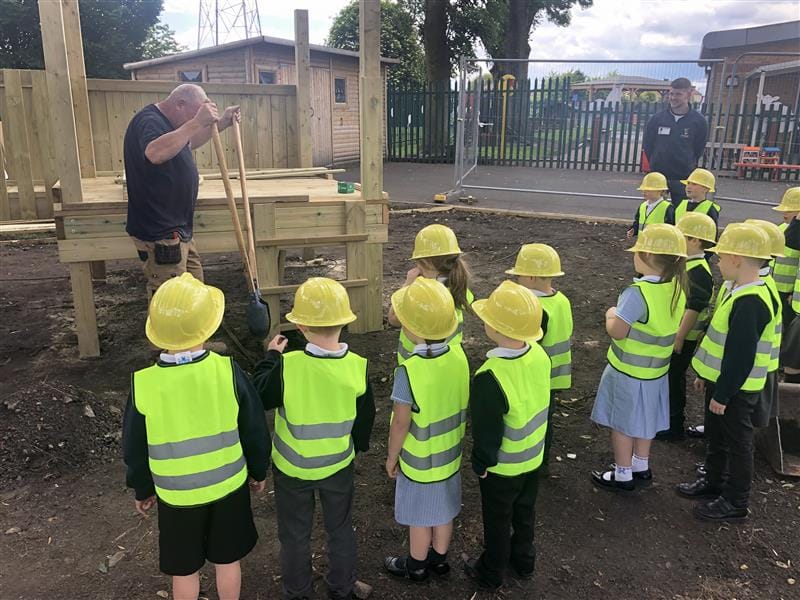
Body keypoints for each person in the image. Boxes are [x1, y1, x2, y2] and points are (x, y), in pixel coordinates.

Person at [122, 273, 270, 600]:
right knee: (228, 561)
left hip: (176, 496)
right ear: (208, 327)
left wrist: (143, 487)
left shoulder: (144, 384)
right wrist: (259, 471)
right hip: (228, 487)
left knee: (184, 569)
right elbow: (254, 427)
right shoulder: (227, 371)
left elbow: (134, 446)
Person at [251, 277, 375, 600]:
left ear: (301, 326)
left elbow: (260, 394)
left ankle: (298, 592)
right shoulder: (357, 368)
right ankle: (342, 588)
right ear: (344, 322)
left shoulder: (288, 368)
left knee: (294, 536)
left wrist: (271, 357)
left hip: (292, 470)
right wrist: (357, 447)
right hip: (337, 466)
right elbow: (365, 420)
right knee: (340, 530)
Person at [677, 224, 778, 522]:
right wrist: (707, 376)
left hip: (735, 389)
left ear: (736, 258)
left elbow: (740, 355)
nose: (717, 262)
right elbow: (721, 343)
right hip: (724, 384)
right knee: (717, 435)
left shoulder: (750, 302)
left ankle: (735, 501)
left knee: (737, 442)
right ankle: (714, 481)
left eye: (720, 257)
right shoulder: (739, 290)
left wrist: (723, 393)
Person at [463, 281, 551, 591]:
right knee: (525, 512)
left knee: (498, 520)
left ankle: (491, 570)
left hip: (502, 468)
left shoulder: (490, 376)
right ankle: (524, 560)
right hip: (533, 457)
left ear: (496, 328)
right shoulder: (540, 355)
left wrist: (481, 462)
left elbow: (488, 431)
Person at [383, 278, 470, 583]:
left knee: (420, 518)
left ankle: (416, 566)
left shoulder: (408, 370)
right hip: (451, 457)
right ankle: (440, 561)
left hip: (419, 462)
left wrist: (392, 457)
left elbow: (400, 423)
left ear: (413, 328)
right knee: (444, 511)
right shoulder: (460, 358)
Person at [590, 224, 687, 491]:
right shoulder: (677, 288)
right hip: (656, 373)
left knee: (622, 424)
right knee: (645, 420)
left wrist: (610, 313)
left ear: (644, 255)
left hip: (627, 373)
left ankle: (622, 474)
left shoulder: (637, 293)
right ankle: (641, 465)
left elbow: (618, 332)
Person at [124, 83, 240, 297]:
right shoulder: (149, 121)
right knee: (170, 298)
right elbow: (154, 153)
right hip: (160, 232)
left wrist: (223, 122)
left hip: (178, 229)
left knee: (195, 293)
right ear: (180, 104)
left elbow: (189, 140)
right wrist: (196, 122)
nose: (195, 122)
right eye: (195, 114)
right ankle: (167, 331)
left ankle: (192, 330)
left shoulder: (172, 125)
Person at [505, 243, 573, 470]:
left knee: (533, 420)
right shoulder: (561, 300)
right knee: (546, 416)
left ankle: (536, 462)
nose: (516, 280)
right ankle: (541, 461)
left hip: (535, 377)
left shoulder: (535, 308)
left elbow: (526, 345)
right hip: (555, 376)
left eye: (519, 276)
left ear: (532, 277)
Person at [657, 213, 716, 441]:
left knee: (674, 378)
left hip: (685, 336)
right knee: (669, 377)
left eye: (682, 235)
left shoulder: (699, 271)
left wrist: (680, 336)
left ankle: (673, 426)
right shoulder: (688, 264)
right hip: (679, 334)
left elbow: (694, 307)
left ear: (695, 241)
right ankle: (668, 421)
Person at [388, 224, 474, 364]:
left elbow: (393, 319)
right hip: (450, 362)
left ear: (424, 261)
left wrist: (407, 284)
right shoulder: (459, 286)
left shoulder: (420, 296)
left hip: (417, 366)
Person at [642, 77, 708, 206]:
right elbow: (648, 145)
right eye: (671, 93)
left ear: (688, 94)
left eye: (678, 94)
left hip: (683, 176)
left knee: (680, 213)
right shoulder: (657, 119)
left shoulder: (699, 121)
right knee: (656, 212)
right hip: (658, 176)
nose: (673, 97)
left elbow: (699, 148)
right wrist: (656, 162)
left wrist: (686, 161)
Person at [745, 219, 786, 424]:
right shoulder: (763, 284)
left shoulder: (756, 291)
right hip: (758, 368)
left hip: (753, 370)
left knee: (742, 424)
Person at [771, 188, 800, 335]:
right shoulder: (781, 229)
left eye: (790, 210)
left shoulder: (794, 233)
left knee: (789, 328)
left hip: (789, 293)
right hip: (775, 287)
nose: (784, 213)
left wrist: (793, 294)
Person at [627, 172, 675, 240]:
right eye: (643, 189)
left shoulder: (667, 208)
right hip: (643, 244)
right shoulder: (642, 206)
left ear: (660, 191)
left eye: (648, 190)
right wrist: (634, 230)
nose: (644, 192)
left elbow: (670, 228)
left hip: (658, 247)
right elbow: (638, 222)